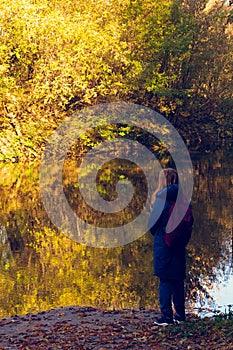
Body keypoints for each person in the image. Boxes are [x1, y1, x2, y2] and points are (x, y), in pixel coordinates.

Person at [148, 168, 192, 326]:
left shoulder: (161, 200)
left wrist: (160, 234)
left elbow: (152, 225)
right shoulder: (184, 200)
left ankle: (166, 317)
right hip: (179, 245)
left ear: (162, 181)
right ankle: (180, 315)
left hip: (163, 244)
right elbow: (190, 223)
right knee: (178, 280)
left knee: (165, 280)